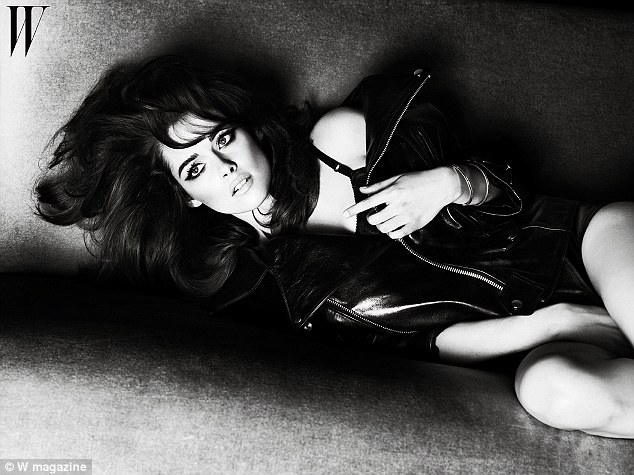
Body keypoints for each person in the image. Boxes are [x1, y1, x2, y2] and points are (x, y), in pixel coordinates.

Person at [35, 55, 634, 438]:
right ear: (185, 197)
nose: (225, 167)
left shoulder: (339, 143)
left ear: (249, 129)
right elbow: (420, 343)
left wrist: (449, 183)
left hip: (581, 246)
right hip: (536, 335)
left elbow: (511, 194)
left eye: (222, 138)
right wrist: (547, 325)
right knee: (553, 392)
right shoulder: (262, 290)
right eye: (194, 168)